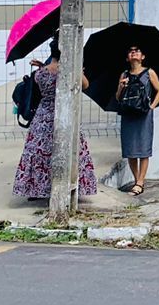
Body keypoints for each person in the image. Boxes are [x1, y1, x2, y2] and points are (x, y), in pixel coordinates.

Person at [12, 44, 97, 200]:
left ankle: (37, 189)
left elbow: (41, 88)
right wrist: (78, 70)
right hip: (65, 114)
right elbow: (85, 85)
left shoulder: (40, 73)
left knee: (39, 152)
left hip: (43, 116)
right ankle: (72, 185)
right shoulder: (69, 70)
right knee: (71, 149)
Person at [116, 45, 159, 196]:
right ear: (127, 58)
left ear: (142, 56)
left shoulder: (149, 72)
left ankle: (140, 182)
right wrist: (121, 86)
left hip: (143, 114)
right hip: (128, 113)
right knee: (130, 150)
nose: (133, 53)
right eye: (130, 51)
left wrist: (152, 107)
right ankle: (138, 181)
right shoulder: (124, 74)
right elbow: (118, 97)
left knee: (143, 148)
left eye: (137, 51)